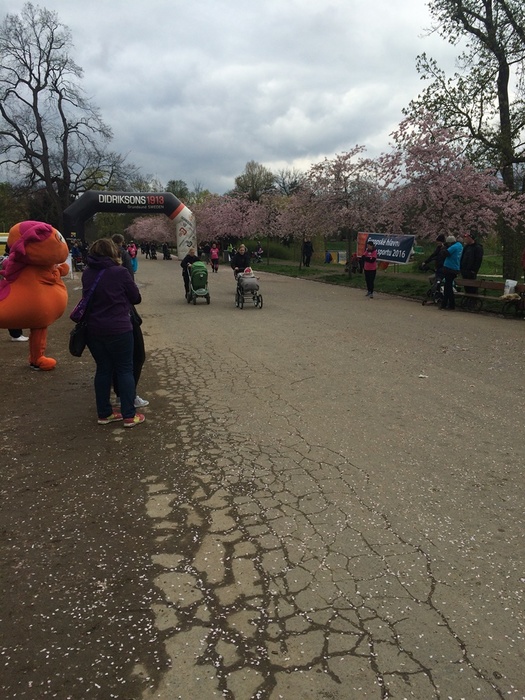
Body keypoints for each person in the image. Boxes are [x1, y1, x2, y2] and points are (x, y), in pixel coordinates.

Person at [82, 238, 145, 427]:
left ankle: (104, 413)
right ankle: (129, 414)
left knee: (103, 369)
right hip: (119, 327)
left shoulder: (87, 273)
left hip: (94, 329)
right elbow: (135, 297)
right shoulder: (120, 272)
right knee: (125, 369)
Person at [440, 235, 463, 310]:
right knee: (448, 286)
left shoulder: (454, 247)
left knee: (448, 287)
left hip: (449, 268)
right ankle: (446, 304)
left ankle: (450, 304)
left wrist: (443, 247)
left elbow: (445, 254)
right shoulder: (460, 246)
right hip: (456, 268)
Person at [460, 229, 484, 294]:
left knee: (472, 287)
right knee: (466, 287)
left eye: (467, 238)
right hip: (464, 270)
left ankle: (473, 298)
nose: (465, 239)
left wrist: (474, 270)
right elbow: (462, 257)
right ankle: (468, 298)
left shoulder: (477, 247)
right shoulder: (466, 247)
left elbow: (478, 260)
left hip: (471, 271)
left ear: (470, 238)